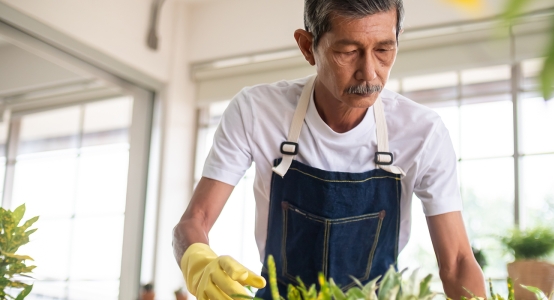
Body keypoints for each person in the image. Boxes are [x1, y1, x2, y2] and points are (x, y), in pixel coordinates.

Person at [173, 0, 486, 299]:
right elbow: (193, 221)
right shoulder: (256, 111)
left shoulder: (423, 132)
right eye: (348, 51)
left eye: (383, 49)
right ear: (307, 47)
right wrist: (199, 263)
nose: (369, 72)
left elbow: (457, 262)